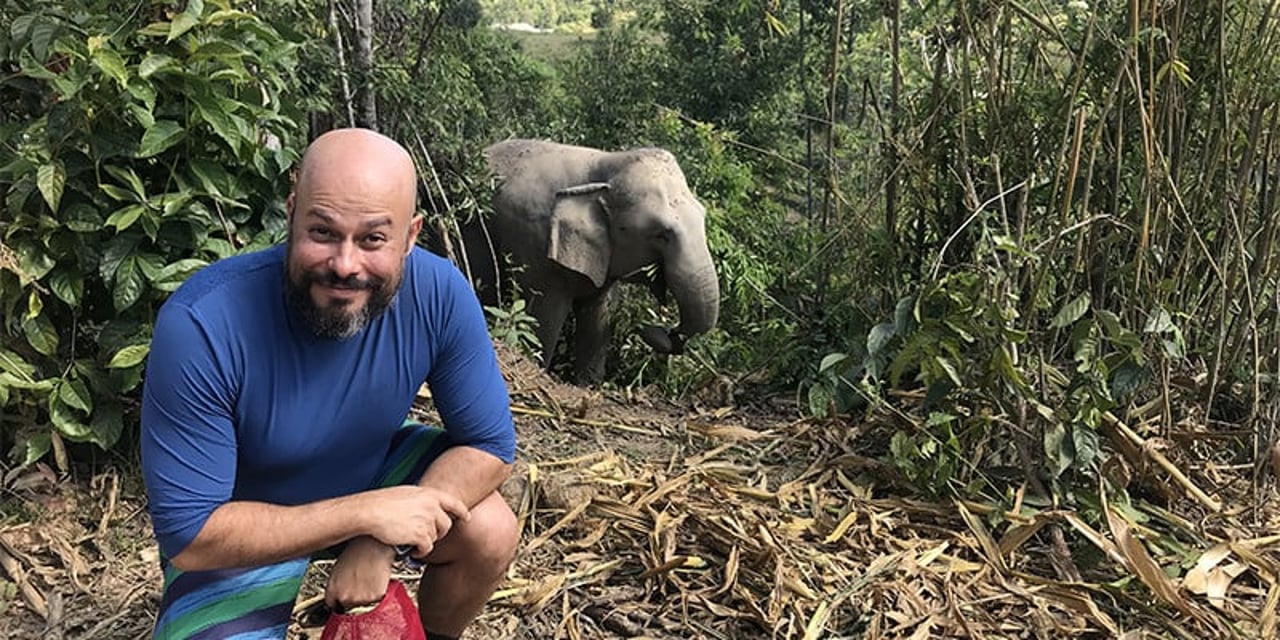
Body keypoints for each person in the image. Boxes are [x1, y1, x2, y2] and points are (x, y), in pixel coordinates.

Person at [140, 128, 519, 640]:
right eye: (322, 232)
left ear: (410, 236)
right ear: (291, 215)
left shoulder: (441, 294)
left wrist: (378, 541)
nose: (345, 264)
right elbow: (191, 534)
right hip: (243, 517)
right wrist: (363, 516)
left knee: (489, 530)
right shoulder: (201, 323)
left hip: (363, 462)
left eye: (372, 239)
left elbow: (490, 445)